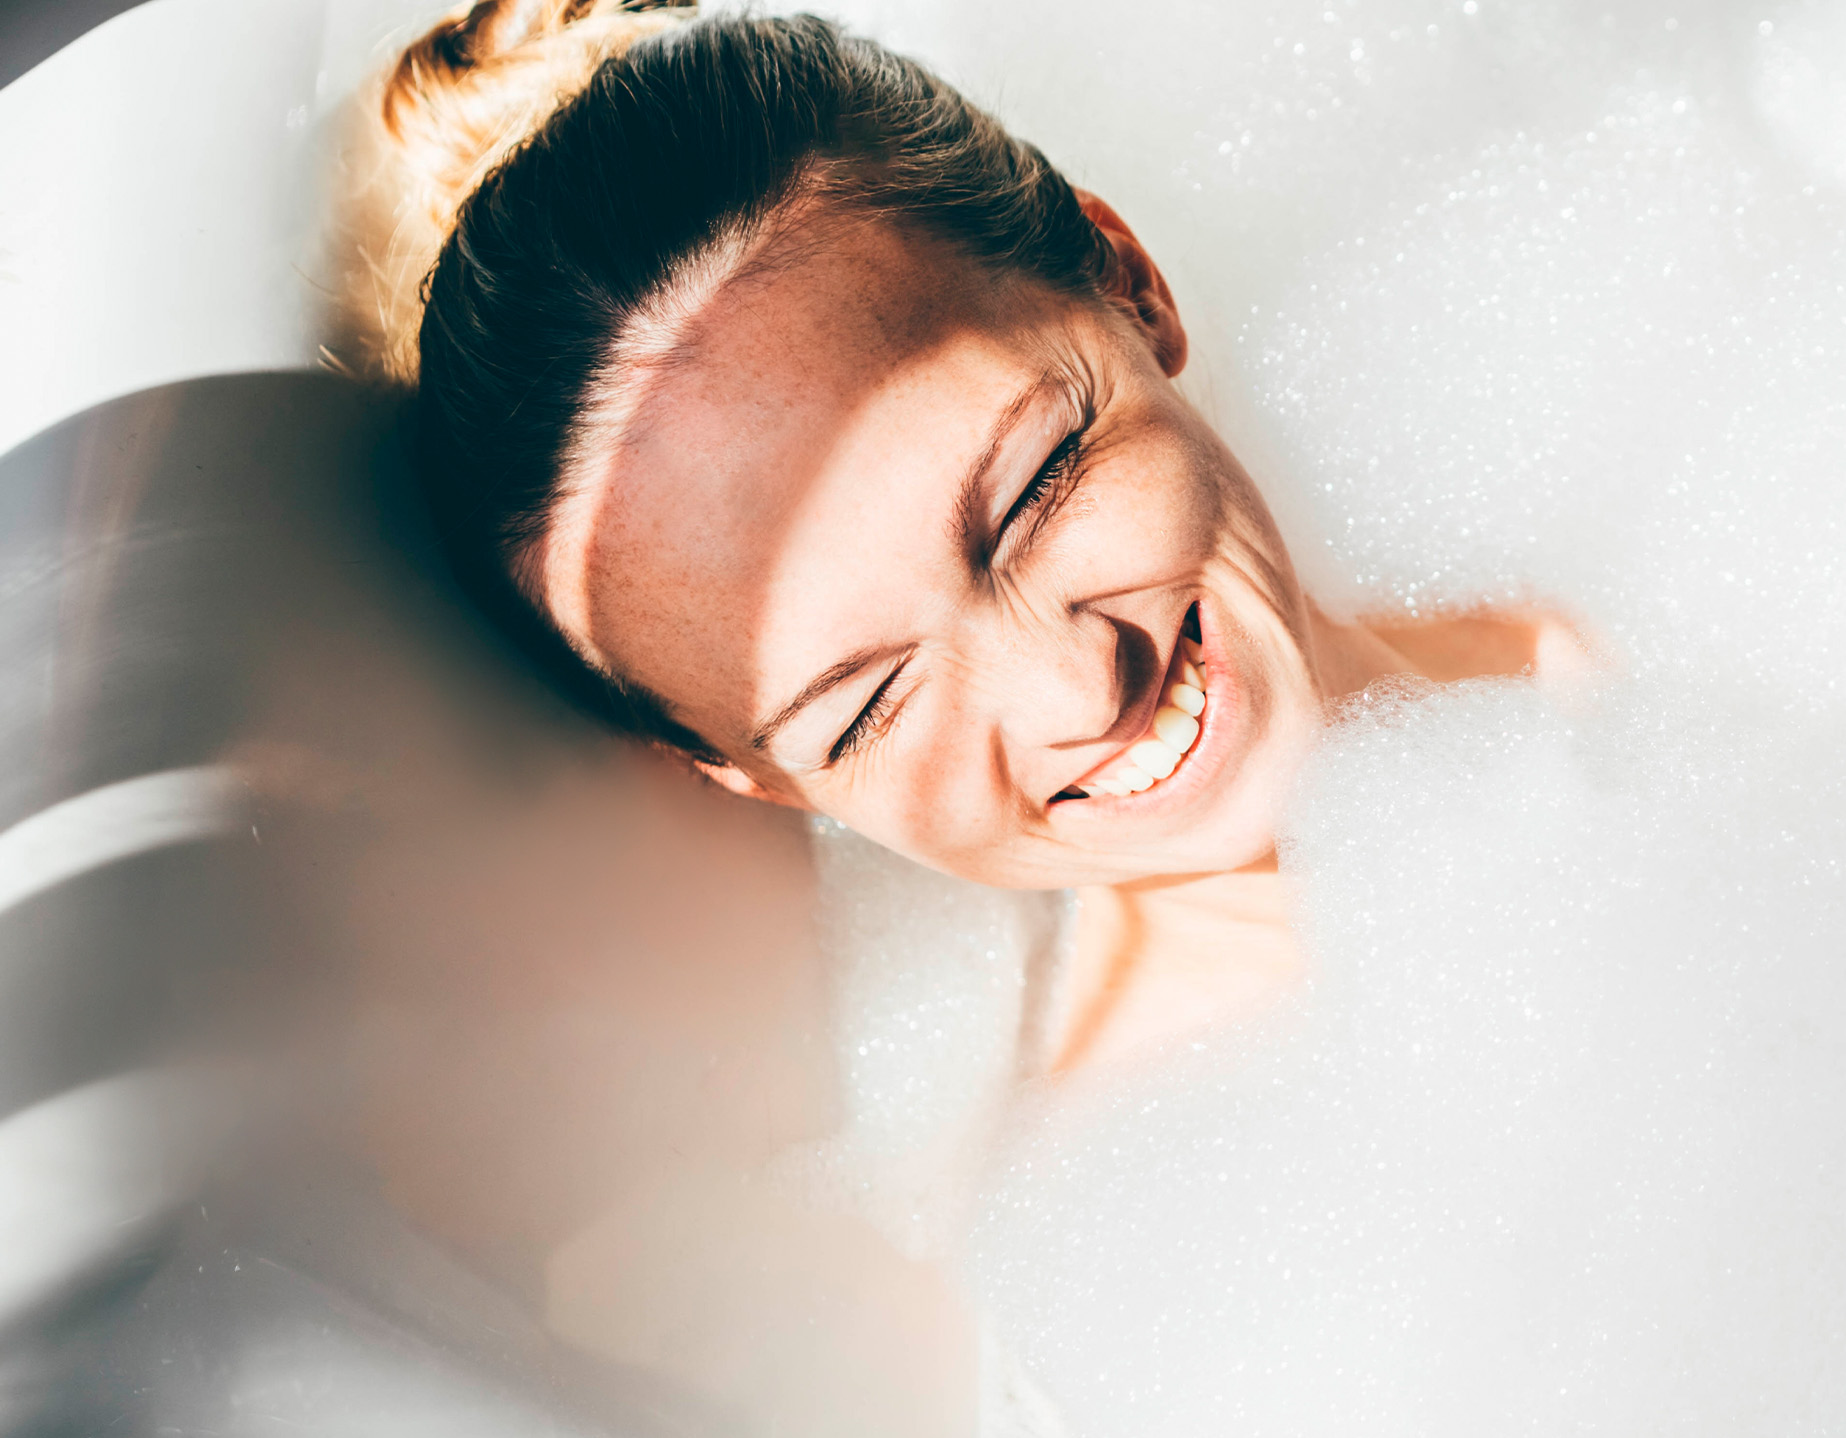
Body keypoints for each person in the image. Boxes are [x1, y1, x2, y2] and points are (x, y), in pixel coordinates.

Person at [339, 0, 1584, 1077]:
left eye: (1035, 490)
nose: (1076, 688)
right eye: (868, 706)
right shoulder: (1143, 1212)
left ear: (1127, 286)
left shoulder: (1659, 551)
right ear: (746, 775)